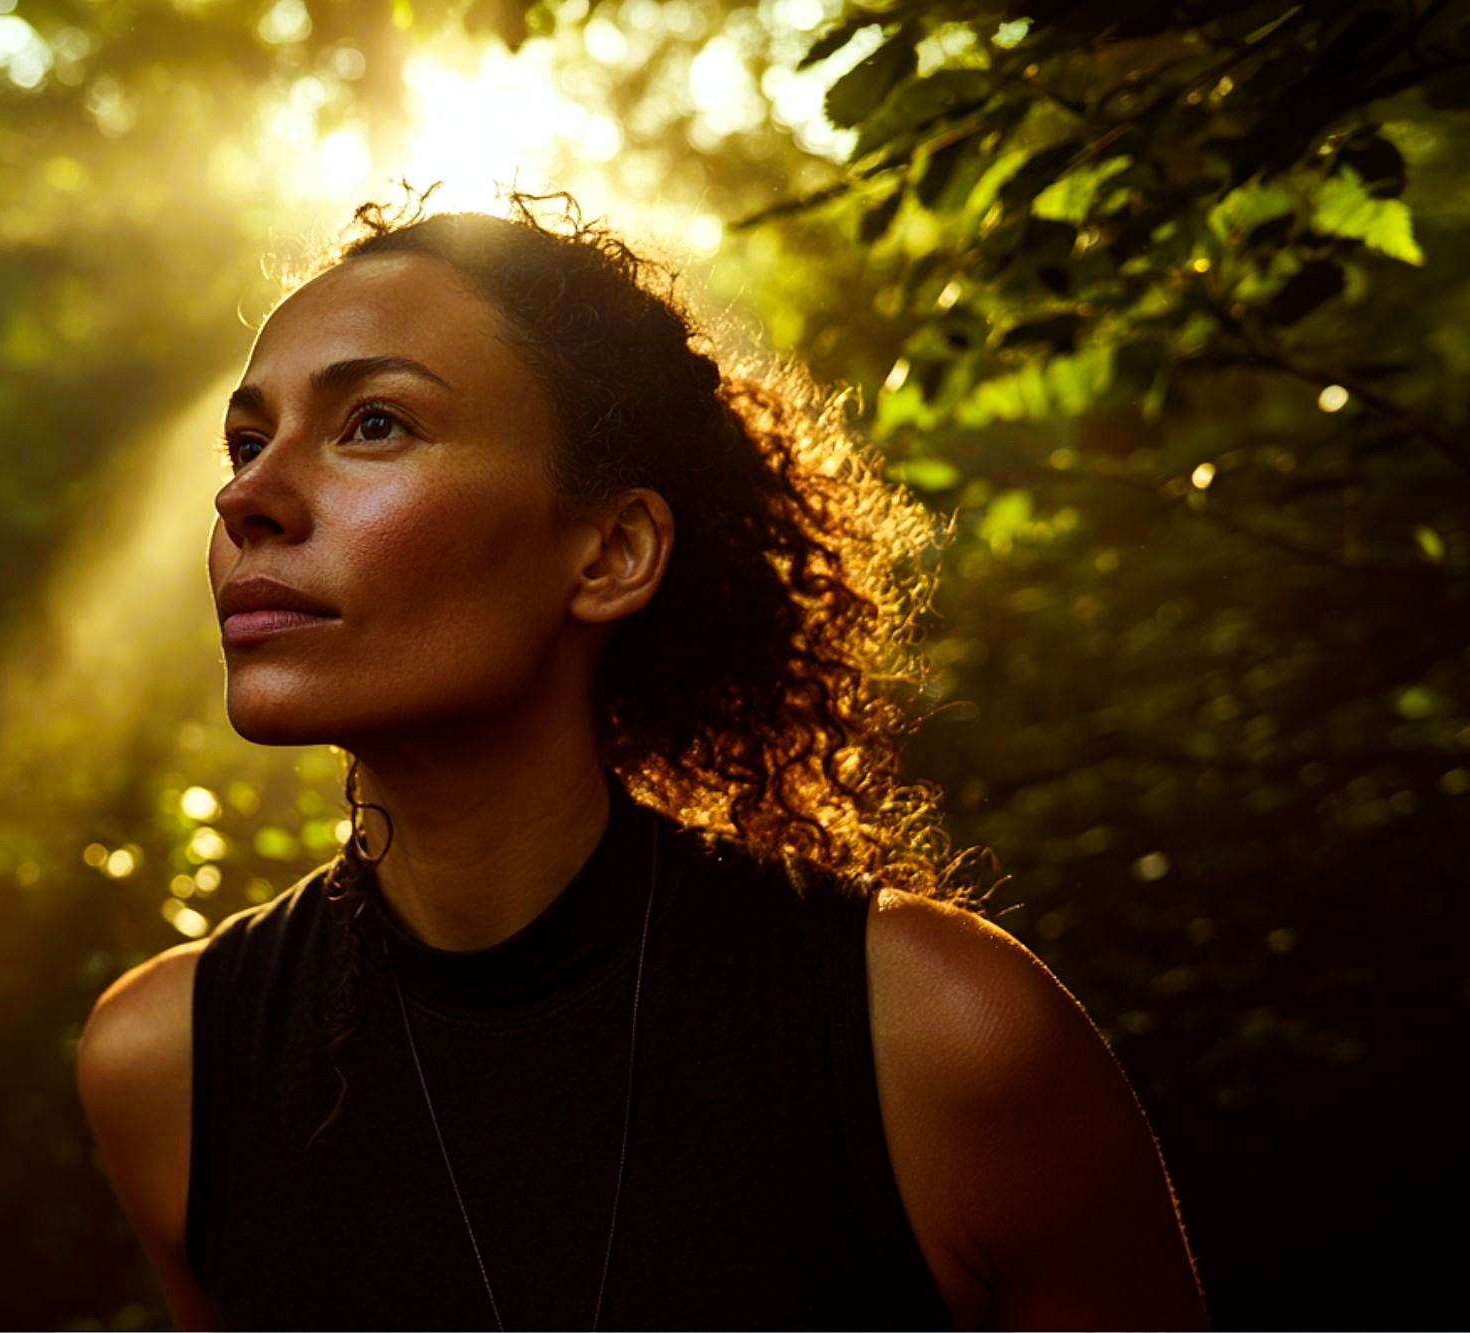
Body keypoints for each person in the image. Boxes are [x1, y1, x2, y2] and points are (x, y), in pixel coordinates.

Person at [76, 193, 1208, 1331]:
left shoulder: (939, 1037)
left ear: (610, 552)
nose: (244, 497)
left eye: (373, 423)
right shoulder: (166, 1065)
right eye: (244, 440)